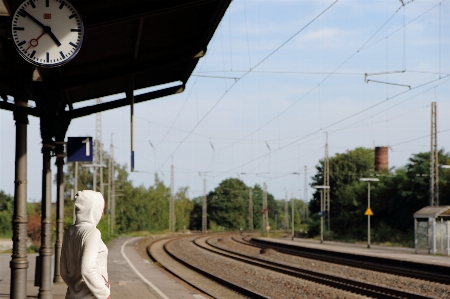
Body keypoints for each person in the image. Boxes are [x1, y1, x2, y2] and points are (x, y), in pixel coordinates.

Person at [61, 190, 110, 299]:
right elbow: (87, 269)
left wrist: (75, 289)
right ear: (93, 209)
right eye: (101, 208)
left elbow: (63, 271)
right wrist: (104, 293)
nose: (102, 213)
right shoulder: (92, 233)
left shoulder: (69, 232)